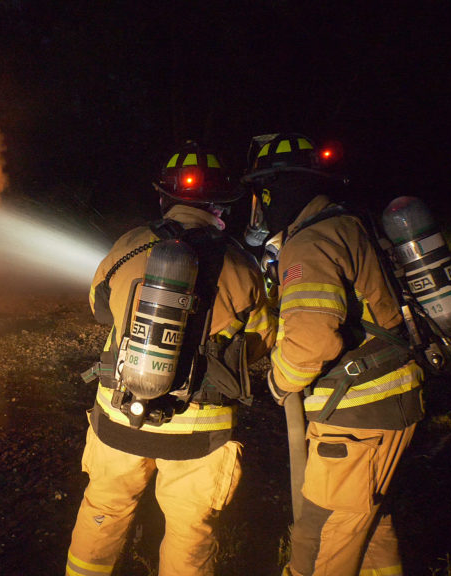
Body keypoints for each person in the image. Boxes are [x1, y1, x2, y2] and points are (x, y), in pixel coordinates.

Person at [66, 141, 276, 576]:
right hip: (198, 434)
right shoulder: (242, 264)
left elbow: (98, 306)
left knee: (103, 510)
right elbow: (260, 342)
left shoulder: (130, 244)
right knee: (189, 532)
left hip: (120, 416)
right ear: (223, 204)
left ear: (165, 197)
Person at [243, 133, 424, 576]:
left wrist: (278, 380)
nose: (260, 207)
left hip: (356, 419)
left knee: (318, 538)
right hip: (391, 403)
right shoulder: (350, 224)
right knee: (366, 525)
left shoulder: (308, 244)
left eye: (262, 195)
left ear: (276, 189)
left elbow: (312, 341)